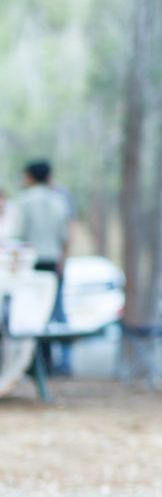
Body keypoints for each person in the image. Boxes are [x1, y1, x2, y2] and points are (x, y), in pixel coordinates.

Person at [13, 160, 74, 375]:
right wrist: (62, 261)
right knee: (56, 311)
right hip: (54, 262)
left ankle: (38, 363)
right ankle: (64, 363)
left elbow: (18, 235)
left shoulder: (24, 200)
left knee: (32, 315)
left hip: (31, 264)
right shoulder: (59, 200)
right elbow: (66, 235)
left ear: (30, 176)